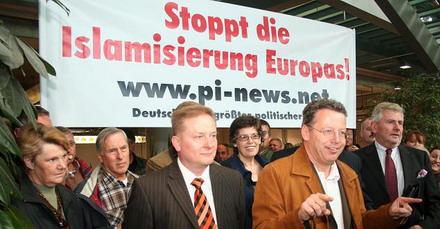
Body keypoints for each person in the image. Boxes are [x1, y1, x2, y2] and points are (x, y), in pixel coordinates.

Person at [253, 99, 421, 229]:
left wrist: (388, 213)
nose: (337, 140)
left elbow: (359, 221)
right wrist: (298, 216)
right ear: (306, 132)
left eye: (342, 133)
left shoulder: (348, 174)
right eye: (327, 131)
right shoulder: (275, 173)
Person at [123, 102, 245, 228]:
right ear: (177, 143)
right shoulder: (148, 189)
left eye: (213, 135)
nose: (209, 144)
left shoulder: (233, 180)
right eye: (199, 137)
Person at [356, 102, 440, 228]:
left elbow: (434, 201)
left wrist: (423, 226)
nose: (397, 128)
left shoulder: (419, 157)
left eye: (400, 123)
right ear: (374, 127)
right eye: (391, 122)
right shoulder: (356, 159)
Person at [13, 123, 85, 229]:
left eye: (64, 156)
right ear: (29, 162)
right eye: (52, 160)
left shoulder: (71, 198)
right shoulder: (15, 205)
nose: (62, 165)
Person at [76, 127, 136, 228]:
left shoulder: (142, 182)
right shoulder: (86, 194)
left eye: (123, 148)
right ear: (100, 156)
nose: (120, 156)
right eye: (112, 151)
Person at [221, 115, 268, 229]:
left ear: (260, 139)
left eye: (254, 136)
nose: (250, 141)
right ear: (235, 142)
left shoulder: (269, 167)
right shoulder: (224, 171)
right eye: (243, 137)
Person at [56, 126, 93, 191]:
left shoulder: (83, 167)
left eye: (71, 143)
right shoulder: (52, 174)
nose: (69, 149)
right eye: (63, 144)